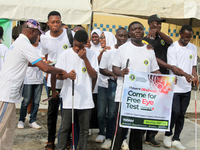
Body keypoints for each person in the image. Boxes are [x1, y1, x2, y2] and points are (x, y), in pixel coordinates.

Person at [0, 19, 66, 150]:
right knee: (2, 125)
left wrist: (44, 62)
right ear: (32, 31)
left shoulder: (19, 41)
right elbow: (45, 69)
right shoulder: (25, 44)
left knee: (10, 125)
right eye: (38, 34)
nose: (38, 37)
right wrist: (61, 70)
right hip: (6, 93)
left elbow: (29, 62)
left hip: (11, 94)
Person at [112, 21, 161, 150]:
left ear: (143, 31)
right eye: (134, 29)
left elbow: (155, 70)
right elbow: (114, 68)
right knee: (121, 129)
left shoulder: (149, 50)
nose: (137, 31)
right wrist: (121, 72)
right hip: (124, 96)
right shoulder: (123, 49)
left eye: (140, 29)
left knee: (138, 131)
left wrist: (168, 81)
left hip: (142, 98)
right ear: (129, 33)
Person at [56, 30, 98, 150]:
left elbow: (94, 75)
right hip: (69, 98)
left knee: (84, 131)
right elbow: (58, 75)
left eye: (80, 46)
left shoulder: (92, 54)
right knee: (65, 128)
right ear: (73, 41)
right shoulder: (65, 54)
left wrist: (85, 59)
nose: (77, 48)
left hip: (85, 100)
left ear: (86, 43)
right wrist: (67, 75)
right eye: (75, 45)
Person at [142, 14, 177, 147]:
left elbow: (170, 42)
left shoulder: (162, 38)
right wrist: (169, 66)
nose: (159, 25)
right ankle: (141, 133)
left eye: (160, 23)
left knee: (160, 108)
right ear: (150, 24)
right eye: (156, 23)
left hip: (163, 78)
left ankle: (151, 136)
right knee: (147, 106)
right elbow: (152, 58)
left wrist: (159, 32)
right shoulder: (145, 40)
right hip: (151, 78)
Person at [40, 11, 73, 150]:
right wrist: (45, 62)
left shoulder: (69, 35)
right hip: (52, 81)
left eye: (58, 22)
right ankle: (50, 141)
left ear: (61, 22)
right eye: (52, 22)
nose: (55, 24)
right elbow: (42, 57)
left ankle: (66, 139)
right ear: (48, 23)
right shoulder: (44, 38)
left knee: (68, 112)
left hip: (67, 79)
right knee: (52, 113)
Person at [163, 25, 199, 150]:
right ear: (180, 33)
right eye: (185, 37)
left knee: (182, 114)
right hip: (175, 86)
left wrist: (195, 76)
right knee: (175, 112)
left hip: (187, 87)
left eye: (190, 37)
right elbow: (174, 68)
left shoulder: (193, 48)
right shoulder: (173, 48)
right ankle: (168, 134)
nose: (187, 40)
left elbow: (193, 66)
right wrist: (186, 75)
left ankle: (176, 138)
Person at [99, 27, 128, 149]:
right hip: (113, 84)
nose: (122, 38)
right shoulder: (108, 51)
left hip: (127, 85)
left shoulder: (130, 50)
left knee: (125, 113)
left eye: (125, 36)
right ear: (116, 37)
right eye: (120, 36)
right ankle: (109, 137)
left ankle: (124, 139)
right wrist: (114, 74)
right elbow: (102, 69)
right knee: (111, 113)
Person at [17, 35, 43, 129]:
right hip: (28, 78)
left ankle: (32, 120)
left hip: (39, 79)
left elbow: (44, 59)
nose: (37, 38)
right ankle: (21, 120)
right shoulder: (27, 46)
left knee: (36, 102)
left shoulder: (42, 47)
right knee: (26, 101)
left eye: (38, 36)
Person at [95, 31, 116, 144]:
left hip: (114, 85)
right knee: (101, 112)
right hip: (102, 84)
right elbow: (97, 65)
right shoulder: (103, 51)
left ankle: (109, 134)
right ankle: (101, 132)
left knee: (112, 113)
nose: (100, 40)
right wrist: (102, 52)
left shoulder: (117, 51)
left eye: (103, 37)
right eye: (100, 37)